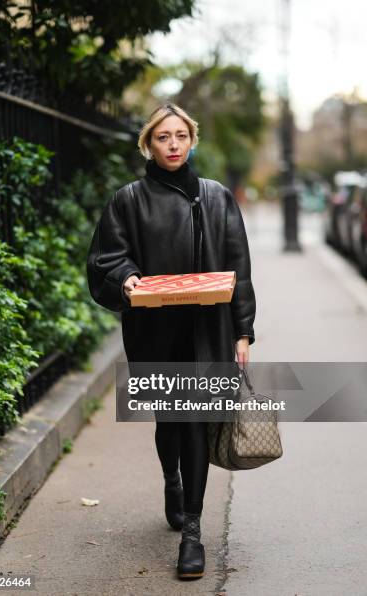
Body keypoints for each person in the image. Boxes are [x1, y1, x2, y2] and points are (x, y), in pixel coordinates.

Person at [86, 102, 256, 580]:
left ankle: (193, 534)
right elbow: (105, 258)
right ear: (148, 144)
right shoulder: (128, 200)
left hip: (208, 330)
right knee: (170, 422)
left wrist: (244, 331)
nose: (174, 144)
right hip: (155, 331)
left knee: (197, 425)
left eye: (181, 135)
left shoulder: (217, 196)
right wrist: (127, 278)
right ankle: (171, 481)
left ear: (192, 139)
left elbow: (239, 267)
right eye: (163, 137)